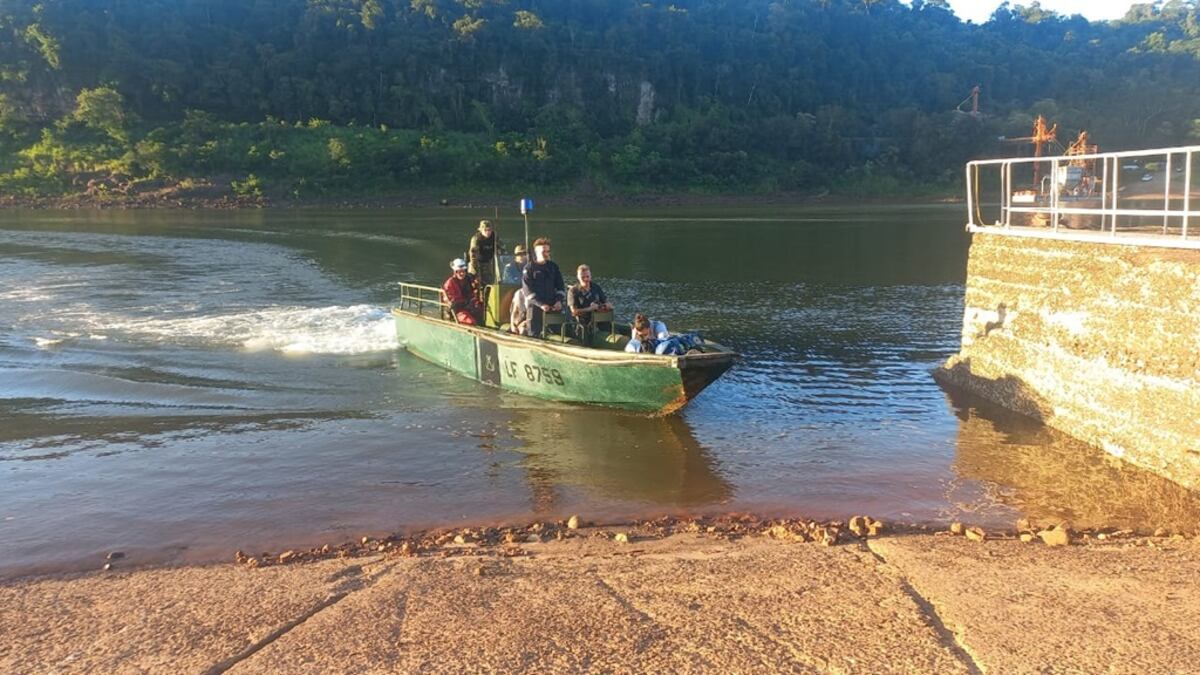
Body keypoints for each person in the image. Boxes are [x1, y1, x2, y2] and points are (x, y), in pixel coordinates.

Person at [521, 237, 565, 336]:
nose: (546, 254)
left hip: (553, 308)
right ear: (536, 252)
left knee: (559, 335)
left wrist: (558, 301)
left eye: (548, 251)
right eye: (543, 251)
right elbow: (528, 291)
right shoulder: (529, 269)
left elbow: (560, 287)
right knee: (534, 334)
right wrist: (540, 304)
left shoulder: (553, 267)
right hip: (536, 309)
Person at [567, 264, 613, 343]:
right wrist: (589, 309)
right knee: (585, 339)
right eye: (583, 277)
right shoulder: (573, 291)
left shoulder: (596, 287)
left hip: (599, 320)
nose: (586, 279)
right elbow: (574, 311)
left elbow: (607, 302)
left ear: (590, 276)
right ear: (578, 277)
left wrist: (605, 306)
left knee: (611, 328)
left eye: (587, 276)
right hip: (582, 323)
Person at [442, 258, 483, 325]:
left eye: (463, 271)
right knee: (470, 322)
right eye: (459, 271)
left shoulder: (468, 279)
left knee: (483, 311)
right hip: (457, 311)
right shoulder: (449, 283)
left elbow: (474, 291)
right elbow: (452, 301)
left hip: (469, 307)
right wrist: (467, 302)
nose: (462, 273)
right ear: (455, 272)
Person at [468, 219, 500, 286]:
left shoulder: (494, 237)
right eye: (485, 230)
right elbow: (473, 256)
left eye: (489, 230)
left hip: (488, 263)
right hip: (476, 262)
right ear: (481, 230)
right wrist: (476, 270)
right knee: (475, 281)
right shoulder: (476, 239)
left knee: (489, 281)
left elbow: (501, 249)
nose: (488, 232)